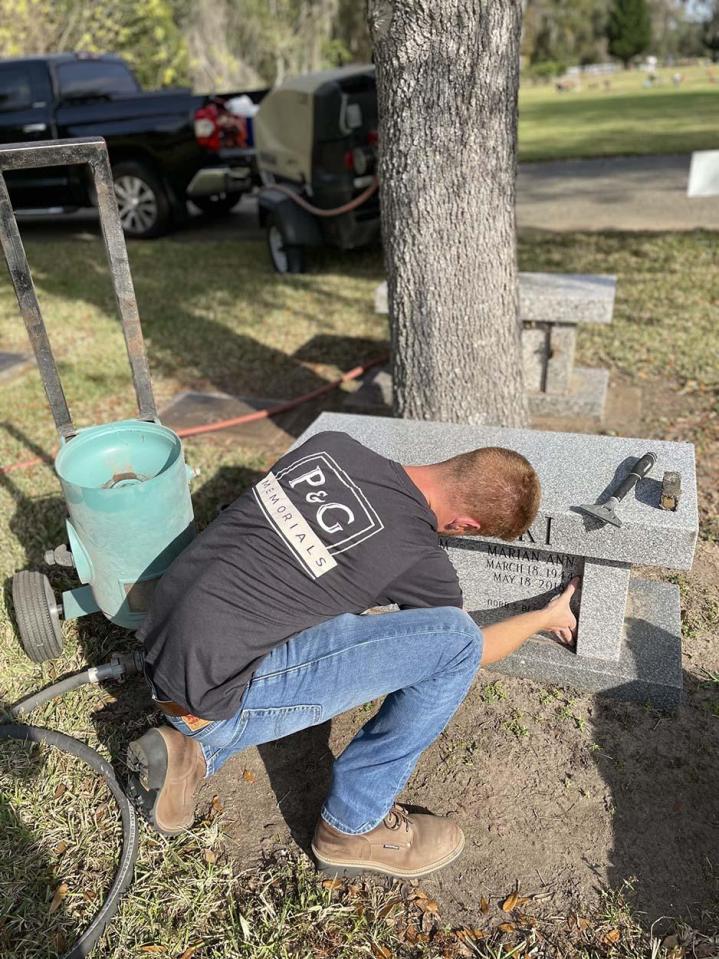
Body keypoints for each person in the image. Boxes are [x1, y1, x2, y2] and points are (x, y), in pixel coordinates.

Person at [128, 429, 579, 879]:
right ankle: (354, 826)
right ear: (465, 527)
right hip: (218, 699)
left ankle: (189, 749)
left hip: (159, 645)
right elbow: (470, 650)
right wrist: (543, 618)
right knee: (457, 639)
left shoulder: (329, 447)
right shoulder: (418, 557)